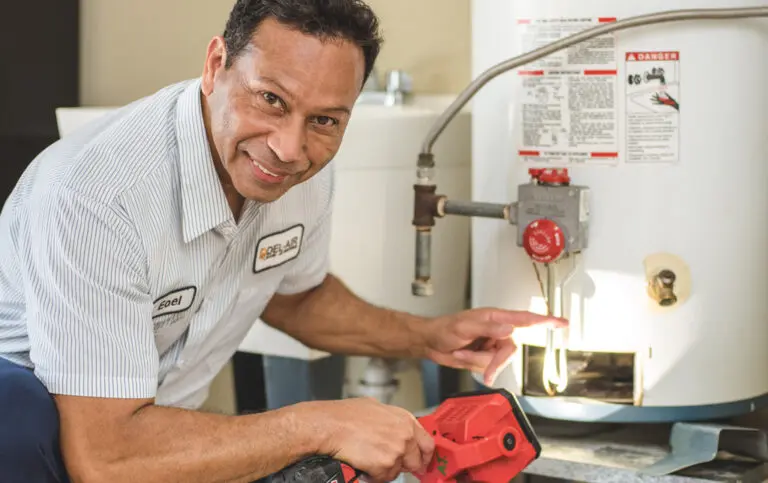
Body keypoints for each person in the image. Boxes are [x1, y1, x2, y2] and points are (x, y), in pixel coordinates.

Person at [0, 1, 565, 482]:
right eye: (270, 99)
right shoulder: (98, 195)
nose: (290, 148)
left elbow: (296, 295)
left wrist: (429, 335)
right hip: (45, 433)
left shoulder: (295, 173)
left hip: (141, 432)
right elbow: (103, 458)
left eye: (325, 120)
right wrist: (321, 423)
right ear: (216, 64)